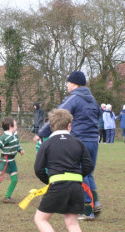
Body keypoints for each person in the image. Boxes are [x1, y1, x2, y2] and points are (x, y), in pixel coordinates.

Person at [34, 70, 102, 220]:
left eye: (68, 82)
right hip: (93, 140)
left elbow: (58, 114)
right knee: (88, 172)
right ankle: (95, 201)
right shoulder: (92, 99)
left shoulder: (74, 98)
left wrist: (41, 133)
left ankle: (87, 210)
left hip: (79, 140)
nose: (67, 85)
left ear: (74, 83)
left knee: (79, 173)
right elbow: (99, 116)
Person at [34, 109, 94, 232]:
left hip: (57, 185)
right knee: (72, 222)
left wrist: (49, 181)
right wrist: (77, 177)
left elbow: (38, 169)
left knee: (40, 219)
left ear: (51, 126)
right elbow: (89, 165)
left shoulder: (46, 144)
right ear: (69, 126)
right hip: (76, 186)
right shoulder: (78, 143)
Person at [0, 116, 25, 203]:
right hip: (4, 161)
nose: (17, 127)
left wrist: (20, 150)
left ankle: (7, 197)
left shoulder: (15, 136)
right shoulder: (4, 137)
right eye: (15, 125)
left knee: (14, 180)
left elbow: (17, 145)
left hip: (12, 161)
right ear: (10, 126)